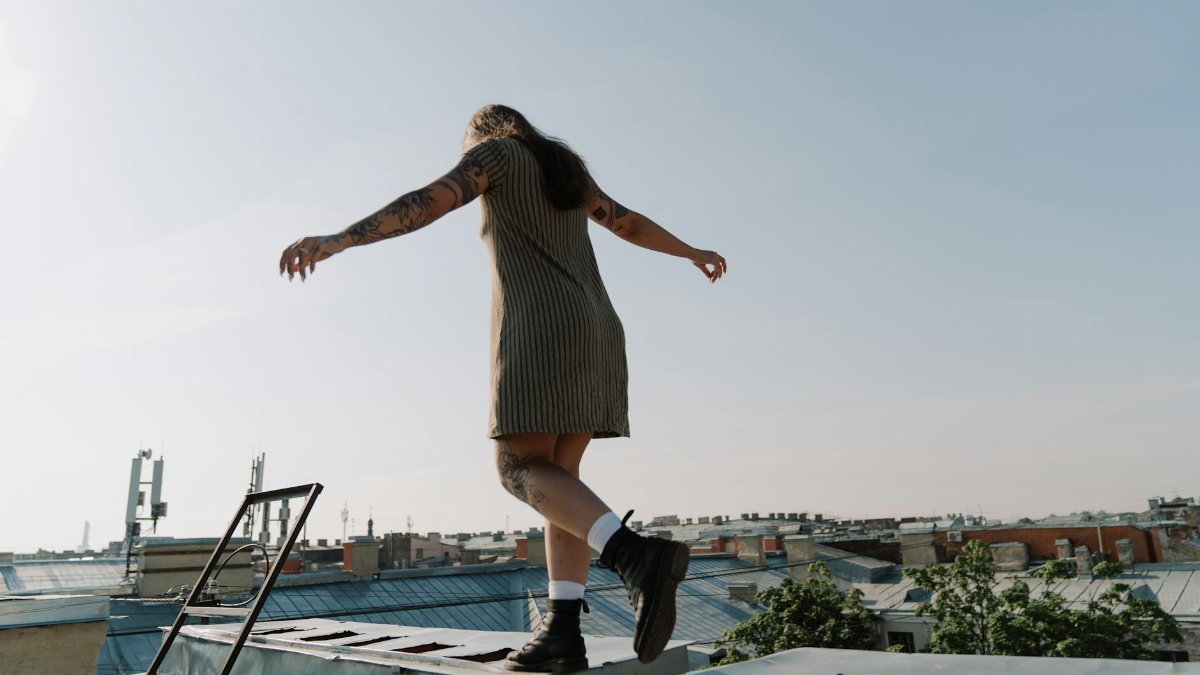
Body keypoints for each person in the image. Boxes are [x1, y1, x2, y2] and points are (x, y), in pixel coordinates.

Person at [279, 104, 727, 673]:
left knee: (517, 470)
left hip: (540, 329)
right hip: (597, 328)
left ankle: (636, 555)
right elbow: (628, 223)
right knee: (560, 487)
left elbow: (427, 203)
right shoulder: (566, 169)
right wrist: (692, 252)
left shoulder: (497, 156)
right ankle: (562, 633)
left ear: (481, 136)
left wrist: (340, 240)